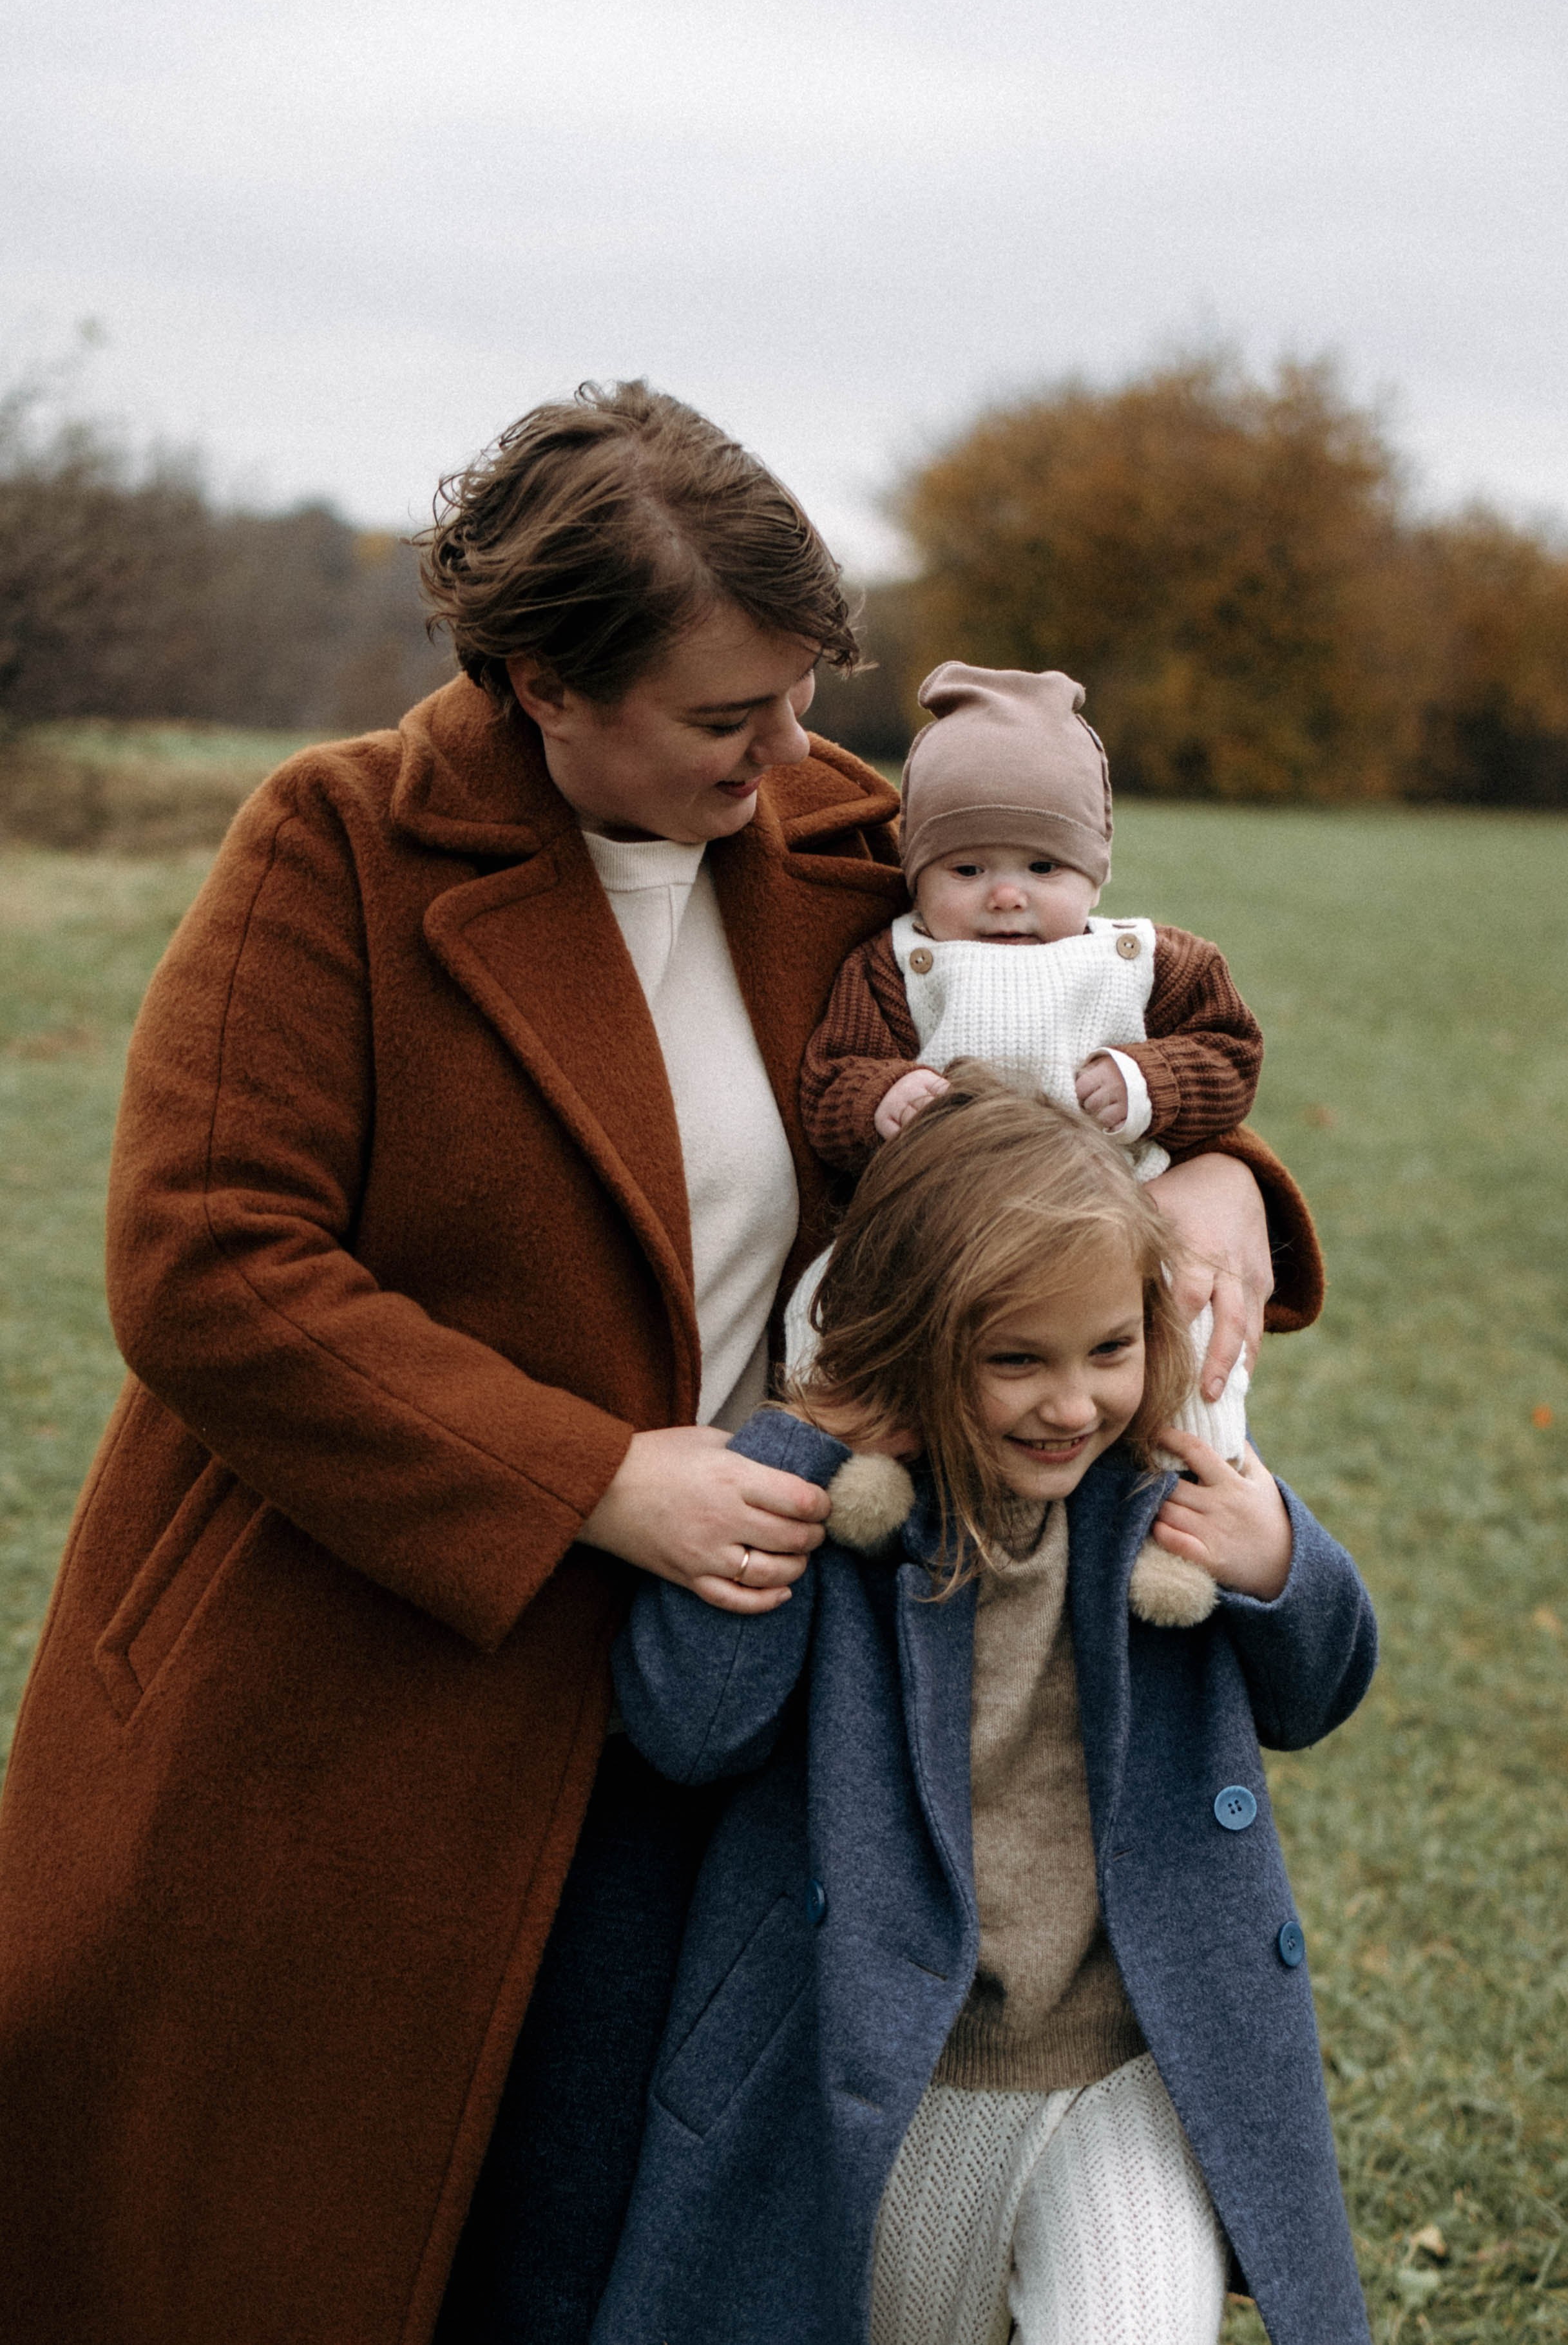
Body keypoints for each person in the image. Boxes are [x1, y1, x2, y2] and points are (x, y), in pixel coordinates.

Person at [0, 385, 1315, 2345]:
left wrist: (1215, 1170)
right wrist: (594, 1478)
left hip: (719, 1673)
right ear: (542, 678)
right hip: (351, 1678)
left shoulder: (832, 843)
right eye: (731, 716)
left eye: (803, 695)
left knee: (595, 2225)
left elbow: (1066, 1046)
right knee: (270, 2238)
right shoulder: (334, 851)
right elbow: (210, 1263)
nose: (794, 756)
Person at [602, 1074, 1376, 2345]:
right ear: (912, 1338)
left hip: (1122, 2066)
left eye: (1108, 1350)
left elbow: (1316, 1691)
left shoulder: (1167, 1505)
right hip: (885, 2069)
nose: (1069, 1403)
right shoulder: (848, 1521)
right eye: (1013, 1358)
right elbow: (691, 1722)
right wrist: (798, 1454)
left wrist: (1281, 1557)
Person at [795, 658, 1285, 1629]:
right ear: (916, 873)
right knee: (833, 1298)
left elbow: (1231, 1053)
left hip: (1116, 1234)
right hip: (941, 1236)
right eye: (966, 870)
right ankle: (870, 1456)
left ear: (1095, 869)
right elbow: (829, 1078)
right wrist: (884, 1097)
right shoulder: (896, 967)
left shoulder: (1150, 964)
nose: (1005, 898)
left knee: (1185, 1348)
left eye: (1041, 868)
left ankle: (1191, 1515)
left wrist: (1150, 1081)